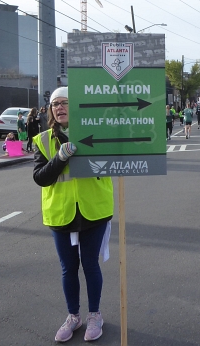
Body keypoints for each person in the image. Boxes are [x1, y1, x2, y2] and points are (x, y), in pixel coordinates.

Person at [32, 87, 113, 343]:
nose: (59, 107)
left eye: (64, 102)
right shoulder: (43, 140)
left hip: (93, 209)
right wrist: (61, 157)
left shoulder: (94, 134)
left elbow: (111, 162)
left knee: (90, 264)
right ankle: (73, 316)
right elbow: (40, 178)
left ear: (75, 106)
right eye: (54, 104)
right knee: (68, 268)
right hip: (61, 213)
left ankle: (94, 315)